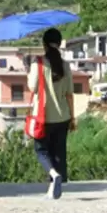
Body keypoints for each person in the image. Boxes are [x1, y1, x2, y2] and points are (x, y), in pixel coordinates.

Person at [27, 27, 75, 200]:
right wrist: (73, 117)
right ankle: (53, 187)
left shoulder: (38, 63)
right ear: (59, 43)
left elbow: (32, 87)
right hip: (63, 116)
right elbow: (70, 94)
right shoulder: (65, 65)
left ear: (44, 44)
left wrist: (29, 70)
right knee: (58, 151)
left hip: (43, 116)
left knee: (41, 150)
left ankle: (54, 176)